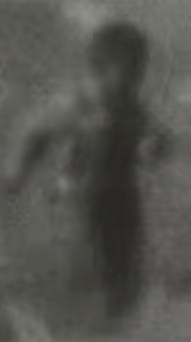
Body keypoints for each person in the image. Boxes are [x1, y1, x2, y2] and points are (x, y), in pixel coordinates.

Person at [11, 20, 166, 326]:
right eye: (128, 69)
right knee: (83, 257)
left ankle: (117, 317)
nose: (136, 78)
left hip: (123, 196)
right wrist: (20, 170)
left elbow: (154, 138)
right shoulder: (78, 105)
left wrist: (154, 147)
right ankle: (64, 312)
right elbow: (38, 134)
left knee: (124, 262)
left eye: (139, 70)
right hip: (82, 194)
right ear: (100, 67)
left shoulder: (132, 108)